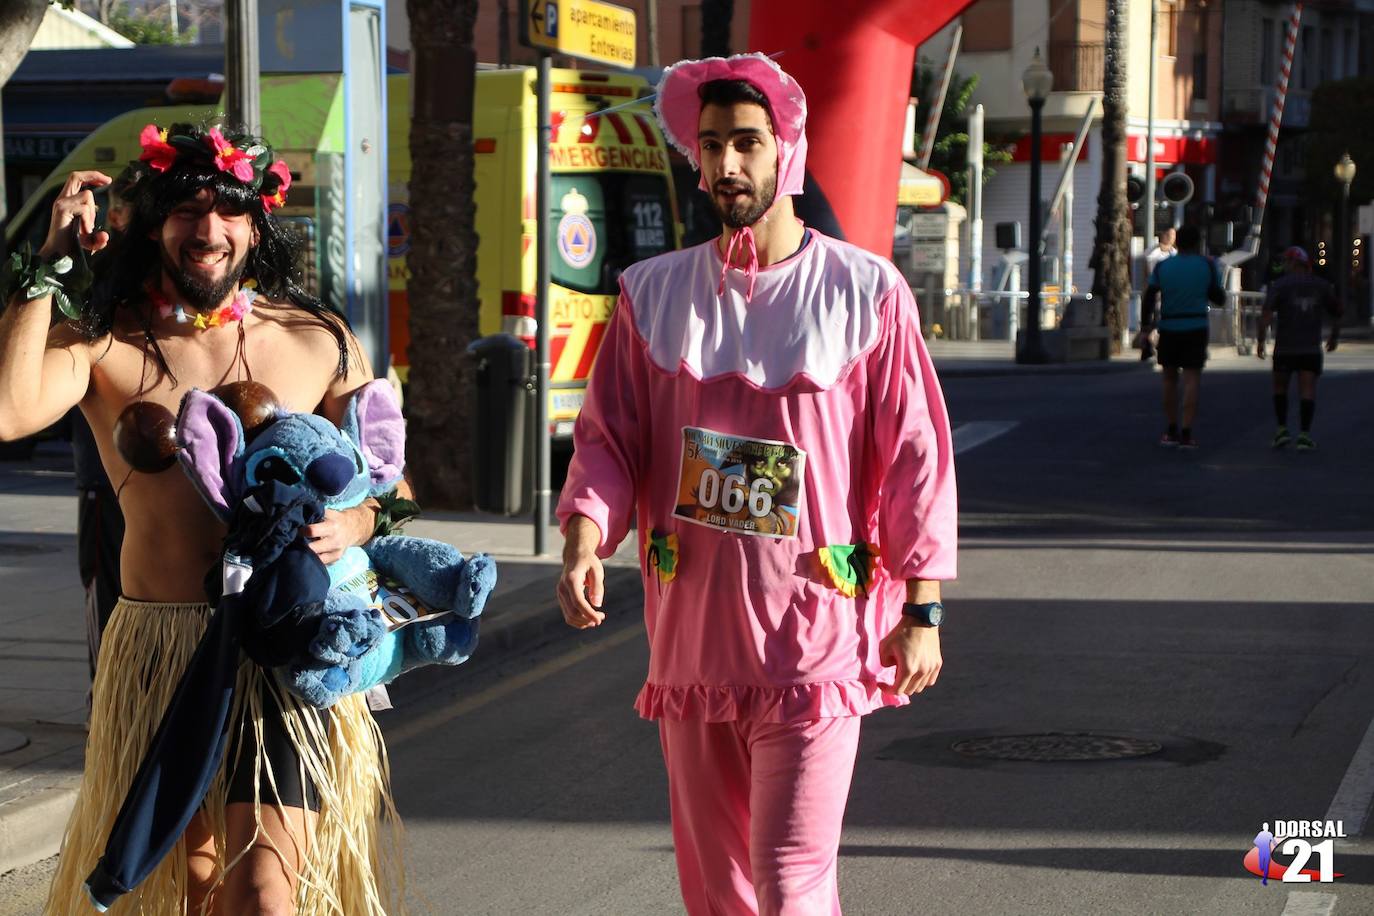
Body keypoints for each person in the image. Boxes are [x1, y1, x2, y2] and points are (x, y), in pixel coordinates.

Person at [555, 54, 957, 915]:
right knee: (717, 889)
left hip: (816, 641)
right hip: (695, 641)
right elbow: (609, 438)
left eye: (746, 142)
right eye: (710, 146)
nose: (726, 165)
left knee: (791, 879)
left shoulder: (863, 292)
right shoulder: (653, 295)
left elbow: (917, 455)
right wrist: (586, 537)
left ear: (788, 151)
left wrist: (922, 609)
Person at [0, 122, 403, 914]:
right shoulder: (104, 345)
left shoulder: (317, 341)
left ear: (256, 227)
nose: (208, 230)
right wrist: (48, 264)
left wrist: (355, 527)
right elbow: (9, 409)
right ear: (155, 223)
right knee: (194, 888)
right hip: (161, 649)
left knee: (262, 892)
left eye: (229, 212)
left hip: (282, 646)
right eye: (186, 210)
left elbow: (386, 486)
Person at [72, 166, 139, 696]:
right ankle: (112, 712)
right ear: (119, 215)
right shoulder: (101, 272)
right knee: (111, 601)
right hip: (106, 472)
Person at [1142, 223, 1224, 449]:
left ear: (1178, 242)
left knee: (1169, 379)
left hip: (1169, 326)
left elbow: (1149, 297)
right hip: (1196, 325)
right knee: (1192, 380)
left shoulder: (1163, 267)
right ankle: (1187, 432)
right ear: (1197, 243)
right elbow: (1218, 297)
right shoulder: (1207, 265)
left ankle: (1170, 429)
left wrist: (1146, 327)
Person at [1257, 246, 1341, 450]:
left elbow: (1266, 315)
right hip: (1310, 347)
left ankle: (1282, 429)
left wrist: (1260, 341)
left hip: (1285, 346)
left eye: (1287, 261)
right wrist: (1334, 337)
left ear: (1294, 263)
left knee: (1280, 388)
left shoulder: (1280, 285)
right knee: (1307, 389)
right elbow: (1337, 311)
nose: (1284, 265)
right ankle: (1304, 434)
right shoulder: (1321, 285)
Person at [1135, 227, 1176, 360]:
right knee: (1151, 319)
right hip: (1153, 290)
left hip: (1168, 293)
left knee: (1160, 319)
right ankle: (1147, 346)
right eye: (1169, 234)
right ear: (1163, 235)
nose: (1171, 237)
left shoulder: (1175, 253)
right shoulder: (1154, 252)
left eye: (1173, 235)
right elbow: (1146, 264)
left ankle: (1156, 344)